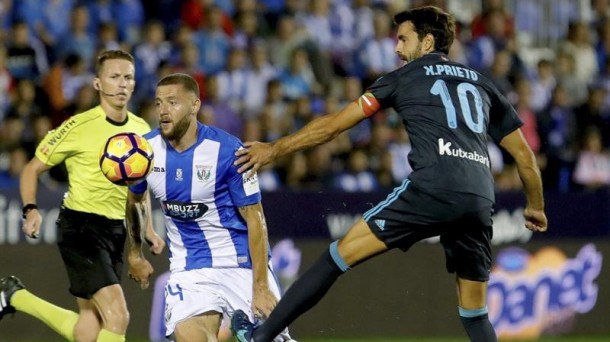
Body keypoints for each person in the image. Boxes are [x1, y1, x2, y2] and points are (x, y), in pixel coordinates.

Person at [230, 6, 548, 342]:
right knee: (474, 313)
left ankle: (261, 336)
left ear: (427, 43)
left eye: (403, 39)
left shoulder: (402, 78)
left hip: (433, 187)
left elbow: (334, 126)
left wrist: (274, 149)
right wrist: (535, 206)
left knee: (337, 255)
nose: (396, 48)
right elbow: (525, 157)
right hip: (479, 197)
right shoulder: (484, 84)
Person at [0, 49, 164, 342]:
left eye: (128, 77)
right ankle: (15, 296)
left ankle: (16, 296)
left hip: (116, 231)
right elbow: (31, 168)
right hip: (81, 227)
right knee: (118, 315)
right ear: (98, 83)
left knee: (88, 328)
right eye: (114, 77)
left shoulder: (141, 129)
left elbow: (139, 187)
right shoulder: (78, 126)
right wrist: (31, 209)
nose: (122, 84)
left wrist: (148, 227)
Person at [125, 73, 294, 342]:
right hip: (190, 268)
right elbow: (134, 201)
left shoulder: (229, 150)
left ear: (195, 106)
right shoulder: (144, 151)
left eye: (172, 102)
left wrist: (260, 285)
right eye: (158, 104)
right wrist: (135, 253)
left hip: (240, 264)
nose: (164, 111)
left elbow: (255, 218)